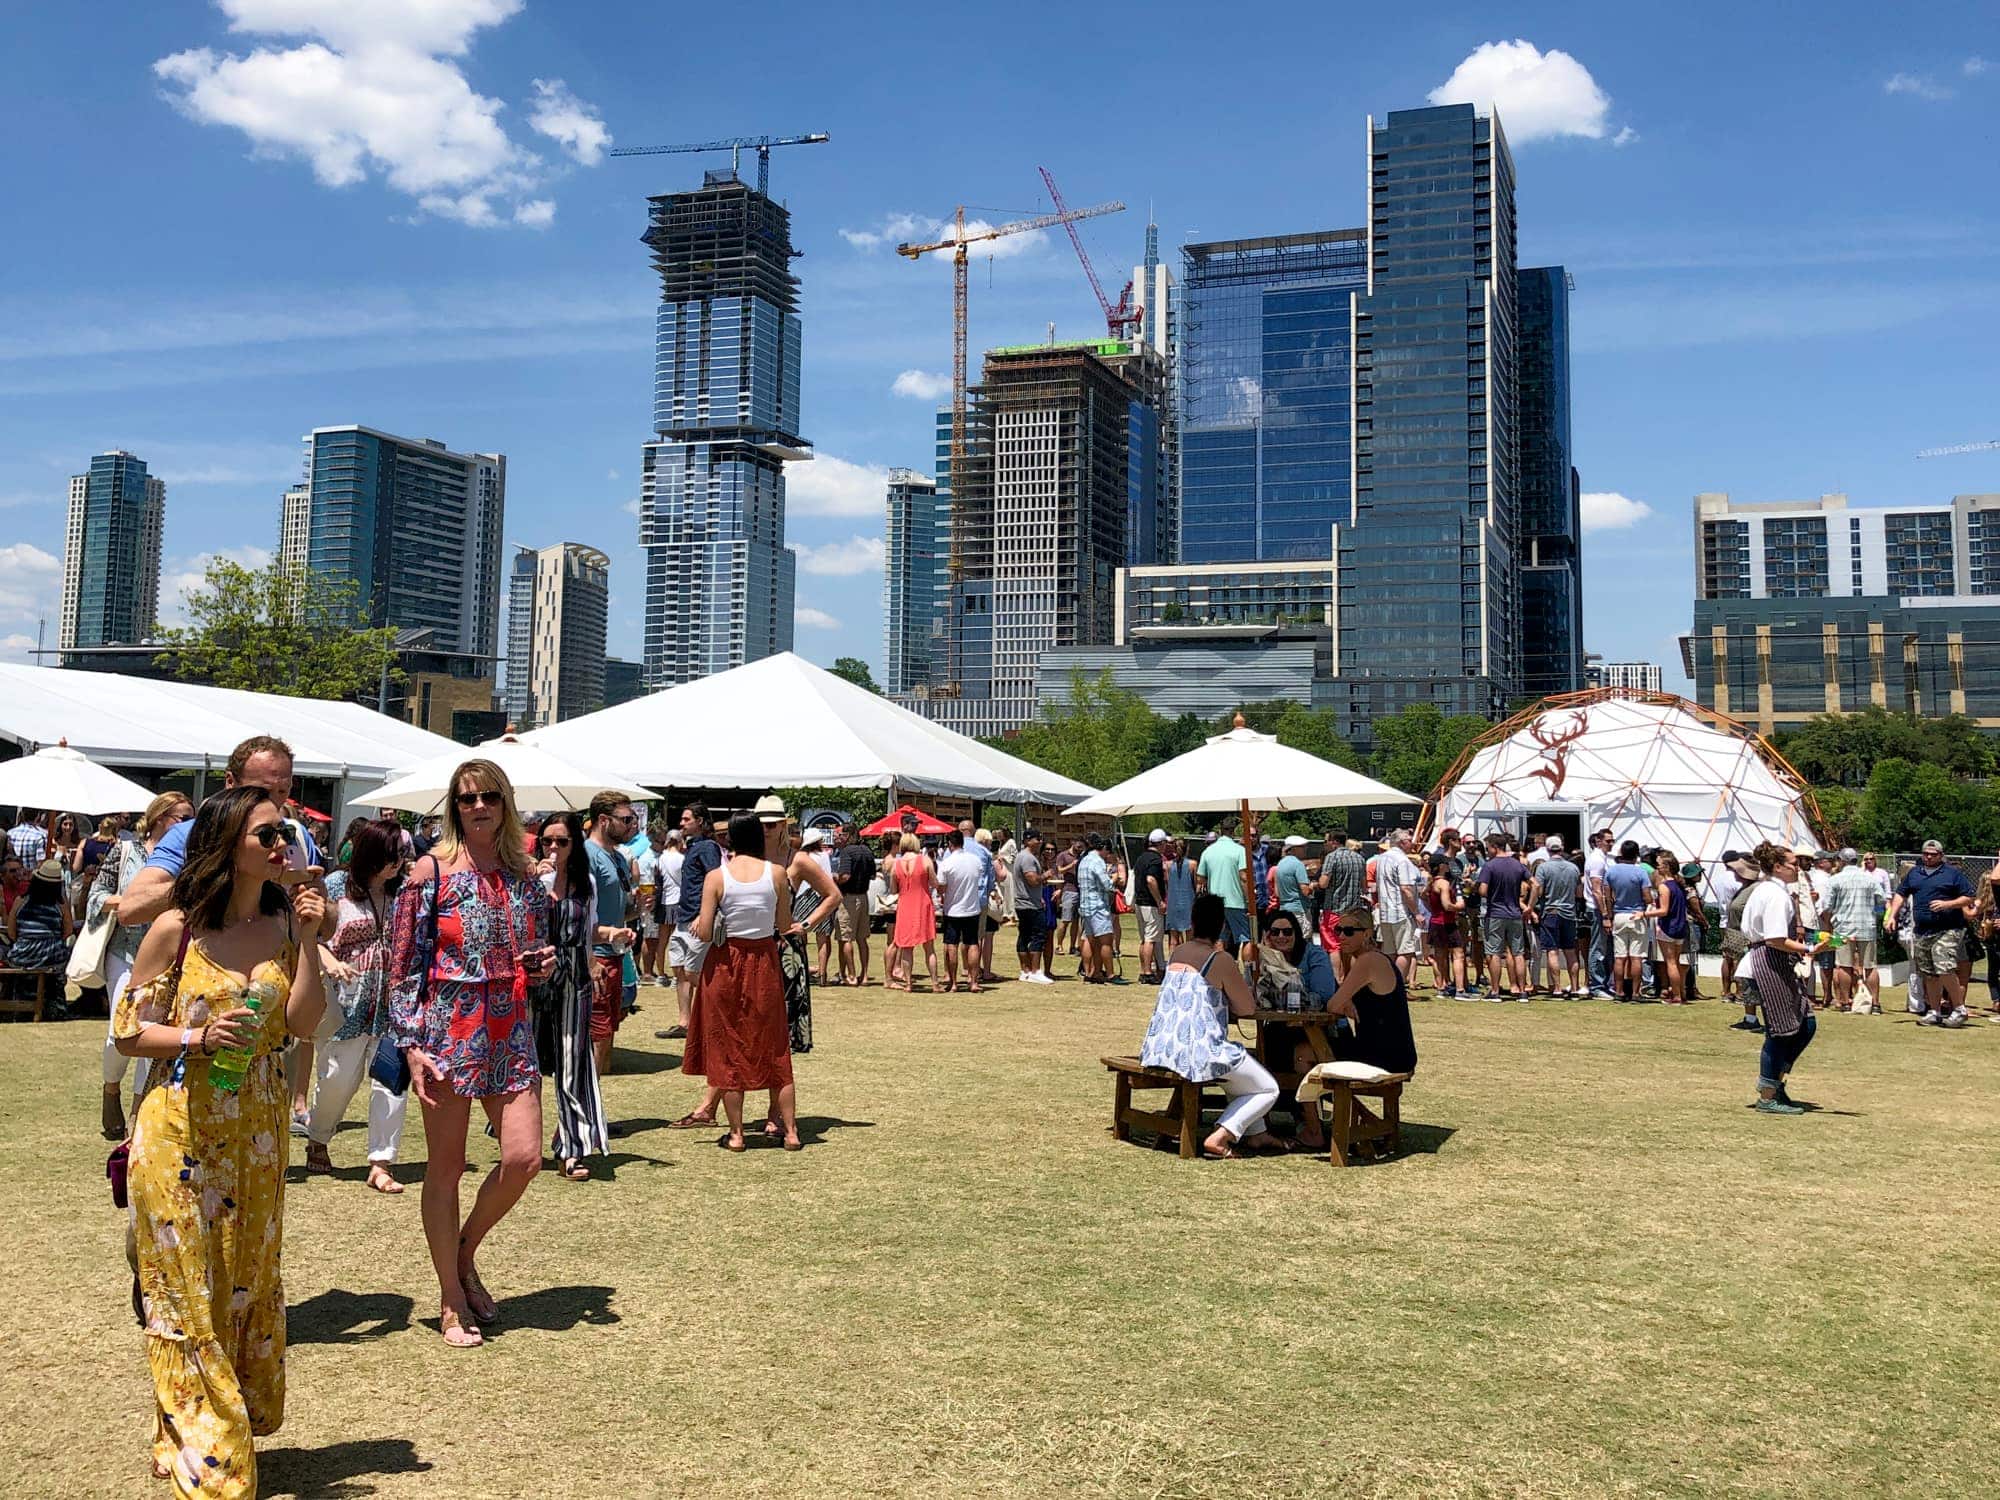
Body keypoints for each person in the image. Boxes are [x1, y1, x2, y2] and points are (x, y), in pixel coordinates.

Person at [113, 785, 327, 1491]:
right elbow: (127, 1030)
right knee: (185, 1296)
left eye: (283, 834)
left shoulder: (280, 925)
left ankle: (184, 1436)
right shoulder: (178, 928)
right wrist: (198, 1035)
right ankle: (213, 1458)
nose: (280, 846)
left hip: (259, 1141)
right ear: (229, 843)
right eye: (266, 835)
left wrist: (310, 943)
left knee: (240, 1285)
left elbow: (301, 1026)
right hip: (179, 1133)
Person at [388, 759, 555, 1348]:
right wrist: (410, 1046)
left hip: (509, 1028)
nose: (478, 806)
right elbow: (402, 965)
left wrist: (543, 964)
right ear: (453, 807)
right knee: (447, 1167)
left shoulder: (524, 875)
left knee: (524, 1158)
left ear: (505, 802)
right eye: (466, 799)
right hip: (446, 1031)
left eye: (488, 796)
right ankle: (450, 1297)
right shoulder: (427, 873)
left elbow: (535, 949)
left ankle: (463, 1251)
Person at [118, 737, 326, 931]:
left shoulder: (294, 835)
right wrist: (227, 876)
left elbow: (325, 929)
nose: (271, 801)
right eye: (260, 791)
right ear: (230, 781)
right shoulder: (189, 835)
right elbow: (130, 909)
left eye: (283, 791)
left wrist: (317, 896)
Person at [684, 813, 802, 1152]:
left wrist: (706, 922)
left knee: (727, 1048)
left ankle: (736, 1135)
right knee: (776, 1047)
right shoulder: (777, 874)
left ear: (730, 840)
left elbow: (705, 930)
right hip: (764, 960)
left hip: (726, 963)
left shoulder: (716, 877)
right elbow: (783, 923)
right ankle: (791, 1132)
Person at [302, 818, 409, 1192]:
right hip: (347, 1001)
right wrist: (330, 961)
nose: (396, 864)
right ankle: (318, 1136)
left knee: (391, 1080)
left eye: (400, 856)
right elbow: (310, 937)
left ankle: (381, 1162)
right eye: (388, 856)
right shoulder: (336, 886)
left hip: (393, 1001)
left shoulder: (405, 893)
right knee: (337, 1079)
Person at [1139, 893, 1281, 1159]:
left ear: (1193, 921)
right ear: (1221, 925)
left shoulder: (1178, 952)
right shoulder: (1220, 960)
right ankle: (1222, 1135)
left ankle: (1256, 1133)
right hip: (1201, 1049)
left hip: (1164, 1045)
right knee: (1267, 1087)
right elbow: (1247, 1008)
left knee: (1239, 1079)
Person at [92, 792, 193, 1139]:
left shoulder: (190, 856)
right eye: (180, 817)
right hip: (127, 952)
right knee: (119, 1033)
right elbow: (95, 897)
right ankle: (111, 1089)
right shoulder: (125, 852)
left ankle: (139, 1113)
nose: (186, 825)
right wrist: (135, 901)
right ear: (159, 817)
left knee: (155, 1036)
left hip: (173, 954)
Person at [532, 812, 610, 1181]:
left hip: (574, 974)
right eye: (547, 840)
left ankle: (572, 1147)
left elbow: (589, 929)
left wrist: (599, 956)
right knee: (527, 1062)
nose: (553, 847)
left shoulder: (586, 882)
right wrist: (535, 887)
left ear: (574, 844)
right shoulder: (529, 878)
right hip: (534, 975)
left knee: (572, 1060)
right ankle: (521, 1139)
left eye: (561, 841)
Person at [1740, 843, 1826, 1114]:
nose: (1798, 868)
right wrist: (1809, 949)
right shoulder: (1774, 894)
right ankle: (1768, 1094)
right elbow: (1775, 938)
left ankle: (1776, 1083)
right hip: (1769, 962)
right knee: (1781, 1031)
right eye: (1793, 863)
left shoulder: (1769, 891)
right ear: (1778, 867)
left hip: (1772, 960)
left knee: (1804, 1024)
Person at [1889, 839, 1977, 1026]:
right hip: (1922, 930)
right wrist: (1892, 915)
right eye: (1926, 853)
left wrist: (1948, 904)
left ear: (1941, 855)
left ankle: (1959, 1009)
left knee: (1943, 964)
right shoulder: (1915, 873)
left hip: (1948, 928)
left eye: (1933, 854)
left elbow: (1969, 896)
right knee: (1928, 972)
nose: (1929, 857)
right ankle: (1934, 1011)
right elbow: (1900, 894)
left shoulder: (1952, 874)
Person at [583, 793, 640, 1078]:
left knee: (606, 1034)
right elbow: (578, 914)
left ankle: (594, 1113)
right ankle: (585, 1113)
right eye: (626, 819)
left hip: (615, 956)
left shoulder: (616, 857)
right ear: (604, 821)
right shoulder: (586, 856)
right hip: (595, 959)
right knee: (594, 1035)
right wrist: (590, 959)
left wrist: (637, 909)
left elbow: (617, 913)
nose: (632, 825)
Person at [666, 804, 720, 1041]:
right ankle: (685, 1023)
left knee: (693, 972)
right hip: (683, 918)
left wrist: (704, 915)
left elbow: (715, 878)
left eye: (686, 819)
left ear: (700, 821)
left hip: (698, 918)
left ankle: (716, 1017)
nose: (681, 823)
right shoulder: (692, 847)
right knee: (679, 970)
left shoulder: (708, 847)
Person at [1823, 847, 1882, 1014]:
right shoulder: (1870, 878)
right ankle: (1875, 1004)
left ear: (1841, 860)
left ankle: (1845, 1001)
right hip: (1867, 926)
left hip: (1842, 927)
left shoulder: (1835, 880)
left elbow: (1826, 906)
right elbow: (1881, 899)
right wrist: (1873, 912)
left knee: (1843, 966)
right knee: (1870, 966)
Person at [1475, 835, 1531, 1000]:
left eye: (1488, 848)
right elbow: (1535, 883)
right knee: (1518, 953)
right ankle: (1522, 991)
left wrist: (1477, 888)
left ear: (1494, 847)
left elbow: (1483, 891)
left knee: (1494, 953)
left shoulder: (1489, 866)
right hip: (1514, 913)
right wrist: (1530, 906)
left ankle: (1495, 991)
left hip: (1495, 913)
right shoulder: (1517, 864)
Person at [1525, 839, 1582, 998]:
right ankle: (1575, 988)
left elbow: (1539, 889)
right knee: (1570, 952)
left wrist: (1531, 905)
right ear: (1562, 848)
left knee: (1552, 951)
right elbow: (1579, 892)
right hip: (1569, 913)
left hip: (1551, 912)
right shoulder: (1573, 868)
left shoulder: (1543, 868)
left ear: (1548, 850)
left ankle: (1557, 988)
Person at [934, 827, 986, 992]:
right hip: (972, 908)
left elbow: (941, 889)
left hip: (953, 910)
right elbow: (979, 877)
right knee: (972, 944)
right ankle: (973, 981)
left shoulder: (946, 863)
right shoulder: (975, 860)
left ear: (950, 844)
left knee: (952, 945)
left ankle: (954, 982)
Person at [1604, 840, 1654, 1002]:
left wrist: (1608, 916)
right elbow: (1647, 897)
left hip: (1618, 915)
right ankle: (1635, 992)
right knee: (1636, 957)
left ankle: (1618, 992)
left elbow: (1607, 897)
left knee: (1620, 957)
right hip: (1636, 915)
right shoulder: (1640, 873)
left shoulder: (1611, 871)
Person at [888, 832, 938, 991]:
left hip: (905, 906)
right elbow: (934, 882)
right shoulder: (925, 860)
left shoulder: (896, 864)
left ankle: (908, 983)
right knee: (929, 947)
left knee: (906, 947)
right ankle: (935, 983)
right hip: (923, 904)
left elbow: (893, 889)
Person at [1721, 852, 1764, 1031]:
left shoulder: (1755, 889)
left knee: (1749, 979)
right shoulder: (1745, 888)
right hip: (1738, 938)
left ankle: (1753, 1017)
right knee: (1745, 978)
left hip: (1748, 940)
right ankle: (1750, 1017)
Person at [829, 820, 876, 987]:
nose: (840, 837)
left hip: (848, 898)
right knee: (862, 939)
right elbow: (873, 876)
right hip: (863, 897)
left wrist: (835, 878)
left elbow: (845, 876)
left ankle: (851, 975)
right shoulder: (867, 851)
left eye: (841, 834)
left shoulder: (847, 852)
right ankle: (864, 975)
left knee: (845, 938)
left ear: (848, 835)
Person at [1647, 851, 1692, 1004]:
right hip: (1680, 928)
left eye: (1659, 864)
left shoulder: (1665, 887)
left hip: (1668, 927)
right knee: (1676, 962)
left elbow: (1663, 910)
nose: (1657, 867)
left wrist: (1644, 914)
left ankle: (1677, 996)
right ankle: (1680, 993)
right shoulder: (1678, 885)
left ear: (1666, 867)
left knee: (1670, 962)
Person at [1076, 832, 1120, 983]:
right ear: (1101, 848)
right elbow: (1106, 884)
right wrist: (1115, 880)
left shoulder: (1083, 861)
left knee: (1090, 941)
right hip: (1098, 906)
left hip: (1085, 906)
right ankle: (1110, 974)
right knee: (1106, 941)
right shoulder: (1097, 861)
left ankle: (1091, 972)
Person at [1010, 829, 1051, 983]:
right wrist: (1044, 876)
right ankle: (1035, 971)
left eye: (1040, 838)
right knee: (1038, 935)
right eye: (1036, 839)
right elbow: (1032, 880)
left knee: (1024, 935)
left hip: (1025, 901)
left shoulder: (1023, 856)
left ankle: (1025, 970)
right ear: (1027, 841)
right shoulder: (1027, 858)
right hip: (1029, 904)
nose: (1040, 841)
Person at [1425, 853, 1468, 997]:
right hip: (1446, 922)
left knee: (1439, 955)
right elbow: (1447, 905)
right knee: (1458, 954)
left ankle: (1441, 987)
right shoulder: (1443, 883)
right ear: (1441, 866)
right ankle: (1460, 990)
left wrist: (1432, 910)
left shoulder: (1431, 882)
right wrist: (1459, 906)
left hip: (1435, 921)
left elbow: (1423, 896)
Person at [1583, 826, 1617, 998]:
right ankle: (1596, 986)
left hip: (1600, 907)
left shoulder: (1602, 859)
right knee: (1598, 947)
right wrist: (1605, 915)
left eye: (1612, 841)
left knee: (1604, 947)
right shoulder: (1597, 860)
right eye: (1608, 841)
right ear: (1598, 841)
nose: (1611, 844)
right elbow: (1597, 889)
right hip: (1597, 908)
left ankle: (1602, 983)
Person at [1131, 829, 1169, 983]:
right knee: (1151, 939)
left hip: (1140, 903)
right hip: (1150, 904)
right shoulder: (1155, 859)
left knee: (1144, 939)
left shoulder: (1141, 858)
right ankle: (1147, 972)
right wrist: (1160, 901)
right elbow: (1151, 880)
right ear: (1161, 844)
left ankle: (1143, 970)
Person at [635, 825, 664, 985]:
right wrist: (649, 901)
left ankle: (649, 969)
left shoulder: (659, 855)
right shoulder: (647, 858)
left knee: (655, 937)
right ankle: (646, 971)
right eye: (660, 841)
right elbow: (645, 884)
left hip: (657, 900)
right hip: (649, 901)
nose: (663, 844)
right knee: (650, 937)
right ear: (652, 841)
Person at [1163, 835, 1197, 948]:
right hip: (1188, 903)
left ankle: (1173, 963)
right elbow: (1195, 885)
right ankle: (1189, 961)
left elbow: (1167, 884)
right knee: (1190, 938)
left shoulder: (1167, 865)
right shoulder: (1193, 864)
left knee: (1173, 940)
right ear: (1187, 848)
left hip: (1173, 903)